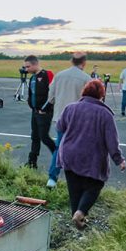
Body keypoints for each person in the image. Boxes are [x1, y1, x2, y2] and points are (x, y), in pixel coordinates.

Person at [57, 80, 125, 229]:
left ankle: (77, 219)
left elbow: (60, 126)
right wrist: (118, 159)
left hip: (69, 154)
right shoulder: (105, 114)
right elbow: (112, 140)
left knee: (74, 188)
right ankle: (80, 212)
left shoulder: (70, 108)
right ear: (101, 95)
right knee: (95, 184)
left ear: (84, 92)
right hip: (92, 156)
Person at [45, 52, 91, 188]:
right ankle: (77, 179)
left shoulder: (59, 75)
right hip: (78, 120)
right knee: (79, 148)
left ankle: (52, 179)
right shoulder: (86, 78)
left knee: (59, 148)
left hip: (60, 117)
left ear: (72, 61)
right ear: (84, 63)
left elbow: (50, 98)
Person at [22, 55, 55, 169]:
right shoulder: (32, 78)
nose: (26, 69)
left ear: (35, 64)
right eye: (25, 67)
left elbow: (53, 94)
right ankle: (32, 162)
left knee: (44, 137)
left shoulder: (47, 74)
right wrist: (31, 105)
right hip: (35, 112)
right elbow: (31, 94)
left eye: (28, 67)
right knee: (35, 137)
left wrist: (45, 109)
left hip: (45, 113)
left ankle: (59, 157)